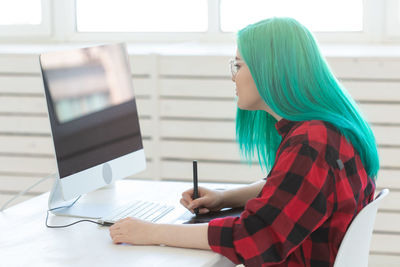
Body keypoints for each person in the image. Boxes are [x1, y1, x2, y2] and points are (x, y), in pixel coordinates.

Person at [109, 17, 378, 267]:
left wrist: (150, 232)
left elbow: (253, 237)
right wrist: (224, 198)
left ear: (270, 70)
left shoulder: (311, 143)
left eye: (238, 65)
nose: (233, 76)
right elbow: (290, 187)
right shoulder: (330, 129)